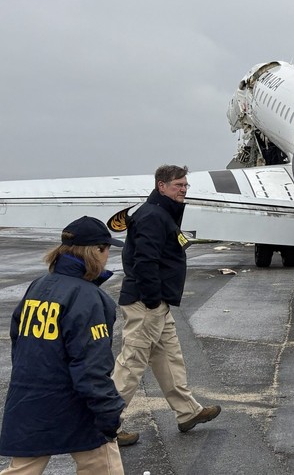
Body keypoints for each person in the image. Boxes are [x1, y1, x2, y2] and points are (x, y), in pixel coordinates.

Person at [0, 216, 127, 474]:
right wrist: (109, 413)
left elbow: (18, 339)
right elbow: (91, 365)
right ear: (97, 251)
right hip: (74, 402)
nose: (107, 256)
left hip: (28, 397)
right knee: (102, 464)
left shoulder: (39, 286)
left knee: (23, 468)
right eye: (107, 249)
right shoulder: (89, 297)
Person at [111, 165, 220, 446]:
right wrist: (150, 299)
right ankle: (104, 425)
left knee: (169, 357)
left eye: (185, 185)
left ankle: (188, 412)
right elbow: (144, 261)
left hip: (157, 303)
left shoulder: (162, 213)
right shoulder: (152, 217)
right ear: (161, 186)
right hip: (146, 303)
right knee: (132, 363)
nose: (183, 190)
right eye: (177, 185)